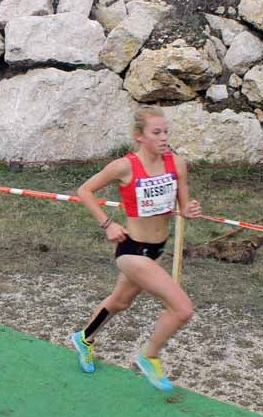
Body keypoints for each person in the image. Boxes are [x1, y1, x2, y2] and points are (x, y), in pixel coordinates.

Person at [70, 105, 202, 391]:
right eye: (156, 132)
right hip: (131, 249)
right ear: (140, 136)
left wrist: (189, 209)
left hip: (157, 249)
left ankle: (84, 338)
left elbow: (183, 207)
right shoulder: (125, 166)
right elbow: (84, 190)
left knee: (120, 302)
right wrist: (108, 224)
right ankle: (148, 356)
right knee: (182, 309)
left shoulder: (176, 163)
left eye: (166, 131)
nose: (164, 137)